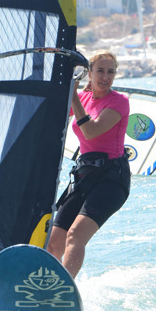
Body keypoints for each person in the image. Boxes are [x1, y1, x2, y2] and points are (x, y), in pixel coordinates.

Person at [47, 51, 130, 278]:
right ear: (89, 73)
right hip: (84, 176)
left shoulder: (119, 102)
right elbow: (55, 117)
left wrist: (73, 96)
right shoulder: (82, 98)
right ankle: (43, 287)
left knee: (75, 235)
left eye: (110, 72)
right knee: (53, 243)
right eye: (100, 71)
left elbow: (91, 131)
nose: (105, 77)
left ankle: (64, 289)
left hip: (112, 180)